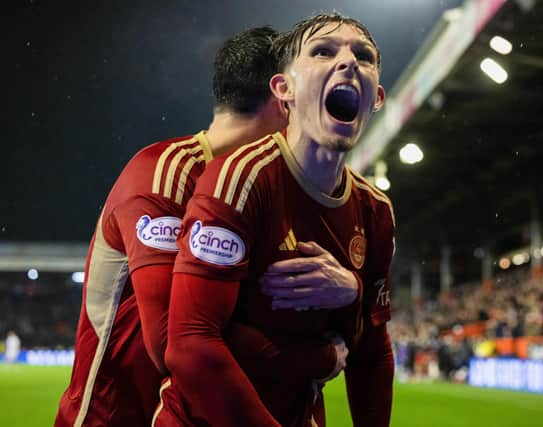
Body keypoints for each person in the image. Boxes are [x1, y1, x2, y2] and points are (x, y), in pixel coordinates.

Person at [55, 27, 357, 427]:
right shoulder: (165, 175)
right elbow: (174, 342)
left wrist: (351, 288)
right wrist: (318, 358)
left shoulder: (282, 188)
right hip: (120, 417)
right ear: (282, 99)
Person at [156, 13, 394, 427]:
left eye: (364, 56)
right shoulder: (240, 179)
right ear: (284, 90)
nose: (349, 62)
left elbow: (372, 349)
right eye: (323, 51)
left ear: (376, 98)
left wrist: (353, 292)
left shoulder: (376, 211)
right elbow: (191, 345)